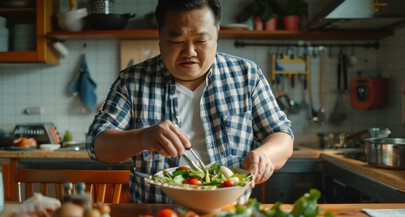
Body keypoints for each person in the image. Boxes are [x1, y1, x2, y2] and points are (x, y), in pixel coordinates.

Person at [86, 0, 294, 203]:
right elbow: (97, 145)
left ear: (217, 35)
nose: (190, 52)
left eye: (201, 40)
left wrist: (264, 154)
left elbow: (281, 135)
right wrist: (143, 137)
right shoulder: (132, 81)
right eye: (177, 41)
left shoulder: (246, 75)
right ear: (160, 37)